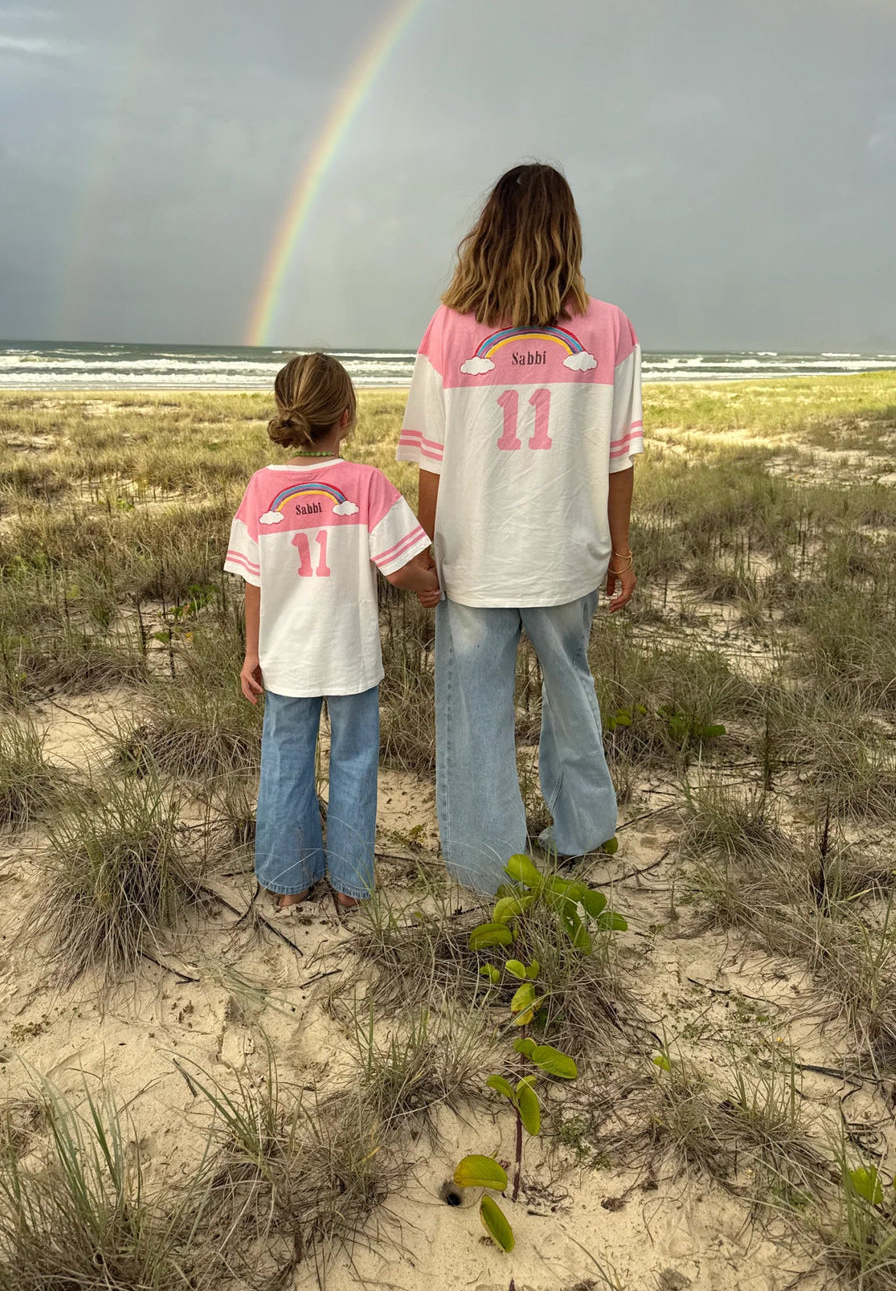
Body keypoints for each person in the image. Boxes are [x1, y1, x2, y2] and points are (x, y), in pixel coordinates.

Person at [397, 163, 643, 895]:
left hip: (474, 559)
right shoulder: (611, 328)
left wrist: (423, 552)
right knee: (570, 694)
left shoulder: (450, 327)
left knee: (474, 713)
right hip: (567, 554)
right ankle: (583, 832)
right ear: (567, 232)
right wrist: (622, 549)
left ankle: (486, 863)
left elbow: (433, 459)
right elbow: (619, 457)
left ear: (490, 231)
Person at [226, 352, 440, 909]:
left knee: (285, 763)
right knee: (354, 761)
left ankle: (288, 883)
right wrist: (428, 584)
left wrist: (251, 653)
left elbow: (253, 580)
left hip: (286, 657)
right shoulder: (366, 483)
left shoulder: (261, 486)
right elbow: (399, 569)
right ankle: (349, 885)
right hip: (350, 656)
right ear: (346, 418)